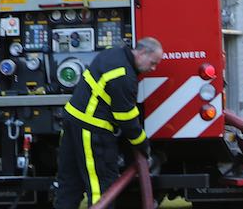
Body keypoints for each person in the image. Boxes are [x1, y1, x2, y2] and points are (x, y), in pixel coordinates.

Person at [53, 37, 163, 209]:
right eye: (153, 63)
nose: (153, 68)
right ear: (142, 53)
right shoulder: (124, 75)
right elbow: (126, 119)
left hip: (71, 122)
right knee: (101, 187)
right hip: (92, 130)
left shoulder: (113, 52)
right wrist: (143, 144)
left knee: (69, 184)